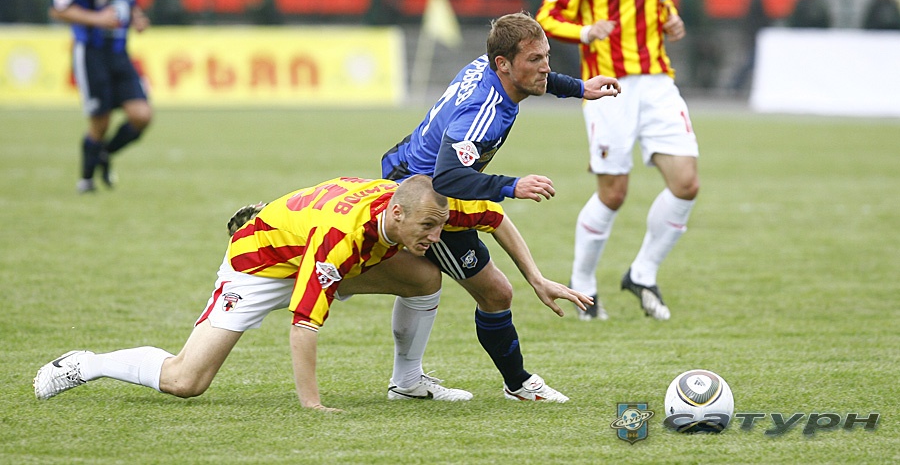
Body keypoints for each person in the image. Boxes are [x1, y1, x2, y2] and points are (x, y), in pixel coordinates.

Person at [34, 175, 556, 410]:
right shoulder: (341, 239)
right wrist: (312, 405)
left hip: (312, 244)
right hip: (260, 265)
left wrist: (535, 278)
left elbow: (493, 218)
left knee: (424, 276)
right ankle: (87, 364)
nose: (437, 236)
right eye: (428, 227)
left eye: (440, 225)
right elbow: (304, 325)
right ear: (396, 213)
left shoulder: (424, 205)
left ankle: (407, 382)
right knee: (186, 380)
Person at [381, 12, 620, 402]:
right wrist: (511, 185)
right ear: (503, 64)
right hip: (423, 197)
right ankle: (516, 384)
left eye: (546, 56)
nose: (545, 67)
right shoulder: (484, 112)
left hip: (409, 169)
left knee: (422, 281)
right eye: (535, 59)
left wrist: (579, 87)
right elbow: (447, 178)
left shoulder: (492, 65)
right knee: (494, 292)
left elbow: (537, 79)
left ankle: (409, 380)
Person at [535, 0, 698, 322]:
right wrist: (586, 31)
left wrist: (672, 20)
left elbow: (661, 3)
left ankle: (642, 273)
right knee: (614, 193)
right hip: (609, 86)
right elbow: (547, 17)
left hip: (658, 82)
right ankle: (584, 286)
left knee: (686, 183)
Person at [50, 0, 152, 193]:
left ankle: (105, 154)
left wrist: (137, 18)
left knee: (141, 115)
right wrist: (96, 19)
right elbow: (58, 9)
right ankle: (86, 180)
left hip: (119, 52)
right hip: (90, 52)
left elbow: (129, 4)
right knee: (100, 121)